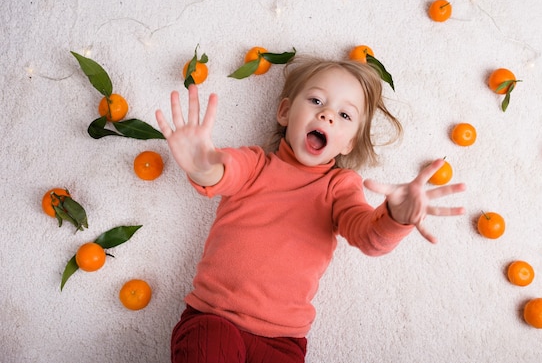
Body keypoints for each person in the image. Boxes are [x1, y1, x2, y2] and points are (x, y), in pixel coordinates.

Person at [155, 56, 466, 363]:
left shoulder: (339, 186)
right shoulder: (256, 164)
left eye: (345, 115)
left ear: (348, 144)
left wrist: (397, 217)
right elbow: (223, 172)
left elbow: (367, 234)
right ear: (286, 112)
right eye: (317, 100)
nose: (328, 114)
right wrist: (200, 165)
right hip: (212, 319)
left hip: (282, 340)